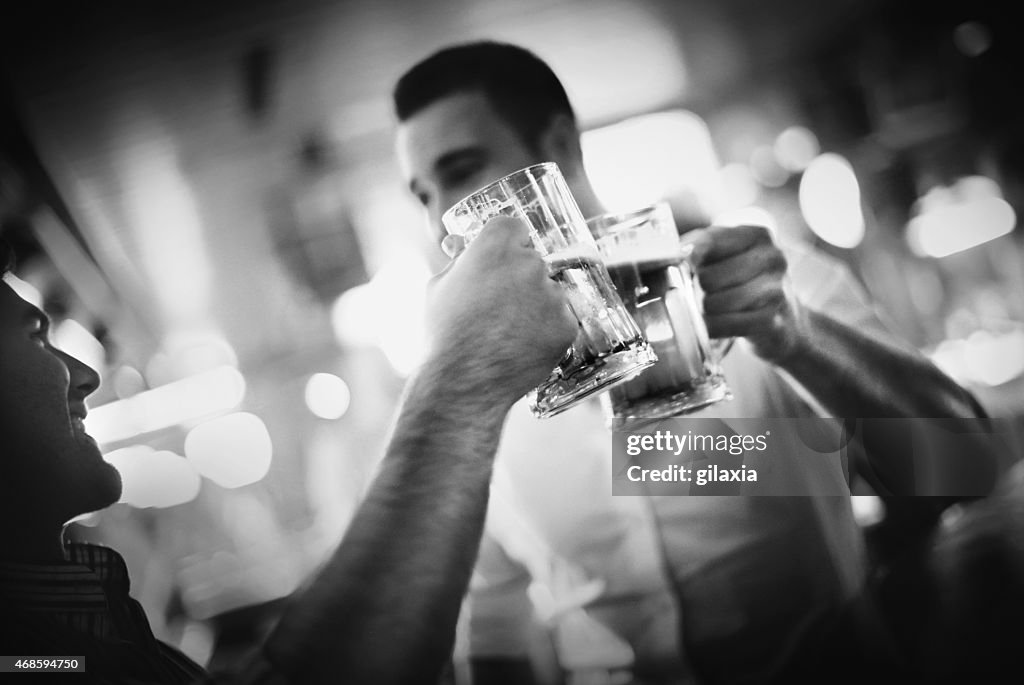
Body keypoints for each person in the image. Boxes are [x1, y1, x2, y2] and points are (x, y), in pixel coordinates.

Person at [391, 41, 992, 684]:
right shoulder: (471, 394)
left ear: (558, 145)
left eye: (458, 172)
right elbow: (494, 616)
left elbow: (966, 466)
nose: (440, 225)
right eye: (422, 195)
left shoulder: (758, 287)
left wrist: (795, 335)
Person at [0, 221, 577, 684]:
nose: (84, 375)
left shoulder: (62, 638)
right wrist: (466, 374)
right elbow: (492, 607)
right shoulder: (30, 661)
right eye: (34, 336)